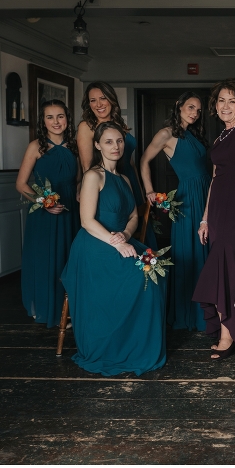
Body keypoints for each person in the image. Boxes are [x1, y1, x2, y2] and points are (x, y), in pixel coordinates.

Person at [60, 122, 167, 376]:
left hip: (122, 240)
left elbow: (133, 217)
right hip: (95, 245)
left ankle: (135, 346)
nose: (116, 146)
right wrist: (117, 243)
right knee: (140, 278)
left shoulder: (125, 179)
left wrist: (126, 235)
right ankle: (115, 346)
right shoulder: (93, 176)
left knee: (156, 272)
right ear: (97, 145)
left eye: (119, 141)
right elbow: (86, 221)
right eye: (108, 141)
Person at [193, 79, 235, 360]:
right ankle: (229, 332)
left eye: (232, 101)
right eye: (221, 100)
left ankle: (229, 336)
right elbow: (214, 179)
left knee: (227, 268)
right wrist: (205, 219)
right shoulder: (220, 137)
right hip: (218, 211)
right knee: (222, 268)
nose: (225, 106)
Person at [141, 92, 210, 331]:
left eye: (198, 110)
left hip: (206, 192)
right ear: (179, 106)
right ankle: (189, 314)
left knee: (206, 249)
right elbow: (143, 160)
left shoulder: (193, 133)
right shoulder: (166, 134)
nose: (194, 113)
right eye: (190, 107)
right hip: (188, 197)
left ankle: (206, 311)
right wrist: (150, 191)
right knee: (191, 251)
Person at [17, 100, 80, 327]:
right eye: (50, 117)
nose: (56, 122)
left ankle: (67, 311)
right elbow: (21, 184)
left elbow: (80, 179)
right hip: (43, 214)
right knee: (44, 259)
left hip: (70, 209)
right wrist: (43, 202)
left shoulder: (75, 145)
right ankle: (45, 308)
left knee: (67, 258)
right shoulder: (36, 146)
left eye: (60, 116)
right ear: (43, 121)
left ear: (67, 119)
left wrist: (80, 193)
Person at [77, 81, 157, 248]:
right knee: (115, 233)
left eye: (103, 98)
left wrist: (140, 193)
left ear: (111, 99)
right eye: (92, 100)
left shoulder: (120, 124)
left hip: (128, 182)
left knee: (139, 230)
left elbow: (131, 163)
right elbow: (86, 166)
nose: (98, 104)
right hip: (106, 185)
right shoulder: (87, 126)